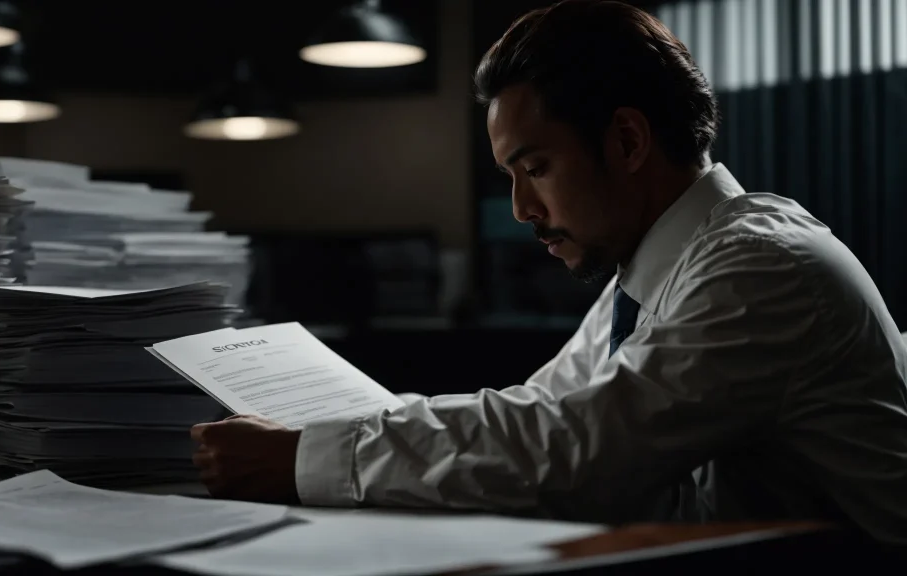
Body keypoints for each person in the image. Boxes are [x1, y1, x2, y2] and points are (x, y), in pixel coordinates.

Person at [190, 0, 907, 545]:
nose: (522, 207)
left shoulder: (760, 269)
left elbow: (576, 449)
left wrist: (307, 459)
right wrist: (317, 429)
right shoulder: (650, 270)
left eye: (535, 168)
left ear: (626, 140)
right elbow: (536, 416)